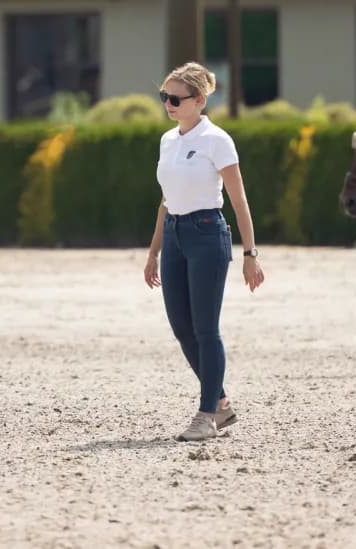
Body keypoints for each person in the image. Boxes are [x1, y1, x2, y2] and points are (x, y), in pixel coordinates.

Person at [143, 62, 264, 442]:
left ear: (198, 100)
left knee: (205, 329)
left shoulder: (217, 140)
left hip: (208, 234)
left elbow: (239, 199)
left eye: (175, 98)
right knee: (182, 328)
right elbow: (166, 200)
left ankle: (207, 414)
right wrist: (153, 251)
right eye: (164, 97)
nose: (168, 103)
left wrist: (250, 253)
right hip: (176, 235)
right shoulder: (167, 140)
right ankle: (222, 403)